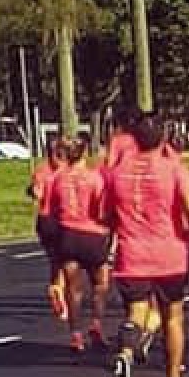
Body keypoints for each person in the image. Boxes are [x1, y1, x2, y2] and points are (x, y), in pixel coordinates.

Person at [103, 111, 189, 377]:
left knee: (136, 312)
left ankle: (125, 354)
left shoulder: (117, 172)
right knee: (173, 317)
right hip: (169, 253)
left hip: (132, 254)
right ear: (163, 138)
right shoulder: (173, 169)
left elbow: (103, 213)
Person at [50, 136, 111, 353]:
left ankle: (76, 334)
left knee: (73, 289)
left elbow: (51, 210)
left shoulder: (58, 179)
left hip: (68, 234)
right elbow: (102, 210)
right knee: (101, 284)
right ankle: (96, 323)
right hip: (92, 234)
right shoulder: (95, 178)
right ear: (85, 153)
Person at [29, 137, 68, 320]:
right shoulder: (67, 170)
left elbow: (37, 193)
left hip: (44, 221)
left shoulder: (41, 170)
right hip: (60, 220)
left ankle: (56, 288)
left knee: (55, 260)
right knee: (66, 261)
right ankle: (60, 291)